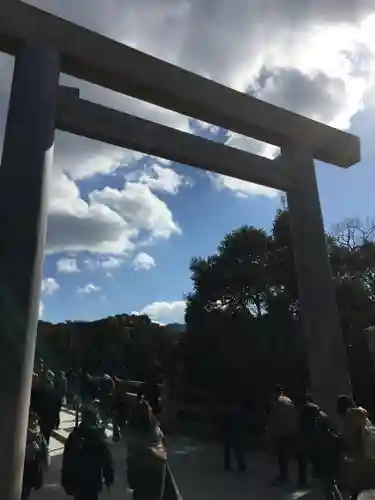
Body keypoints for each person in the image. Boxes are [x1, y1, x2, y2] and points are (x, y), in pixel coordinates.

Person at [61, 408, 114, 500]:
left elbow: (67, 460)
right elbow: (107, 460)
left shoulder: (74, 436)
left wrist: (65, 479)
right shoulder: (98, 438)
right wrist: (109, 479)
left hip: (77, 481)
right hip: (92, 481)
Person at [125, 399, 167, 500]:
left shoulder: (135, 437)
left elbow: (131, 462)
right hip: (157, 479)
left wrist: (132, 482)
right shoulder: (157, 431)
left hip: (142, 480)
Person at [311, 406, 343, 500]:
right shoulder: (334, 438)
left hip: (323, 467)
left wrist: (315, 468)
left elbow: (315, 455)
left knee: (327, 488)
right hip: (332, 465)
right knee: (332, 484)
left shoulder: (317, 439)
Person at [268, 385, 298, 484]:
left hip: (283, 432)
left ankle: (284, 476)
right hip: (289, 431)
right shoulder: (287, 400)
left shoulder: (279, 402)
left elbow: (276, 419)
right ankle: (284, 474)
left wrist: (272, 432)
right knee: (283, 455)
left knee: (282, 456)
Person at [22, 410, 48, 500]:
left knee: (27, 490)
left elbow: (45, 451)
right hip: (25, 468)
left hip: (33, 468)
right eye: (33, 420)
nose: (35, 422)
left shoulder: (39, 435)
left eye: (36, 420)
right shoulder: (22, 433)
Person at [219, 402, 247, 472]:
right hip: (236, 432)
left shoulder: (231, 412)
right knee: (237, 449)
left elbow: (224, 422)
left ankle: (227, 465)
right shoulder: (241, 413)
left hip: (229, 432)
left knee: (228, 450)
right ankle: (241, 465)